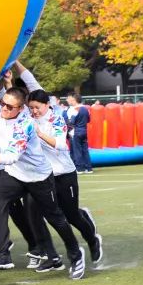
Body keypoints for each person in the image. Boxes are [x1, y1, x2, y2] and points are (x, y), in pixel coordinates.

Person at [0, 87, 85, 280]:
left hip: (38, 177)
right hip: (14, 175)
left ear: (20, 109)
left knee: (55, 218)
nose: (4, 109)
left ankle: (76, 255)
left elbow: (11, 156)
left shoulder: (25, 125)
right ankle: (3, 256)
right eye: (3, 104)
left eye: (10, 107)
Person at [27, 89, 104, 265]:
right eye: (31, 108)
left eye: (37, 107)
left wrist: (40, 134)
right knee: (35, 212)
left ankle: (92, 240)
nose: (34, 111)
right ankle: (50, 255)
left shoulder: (57, 119)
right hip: (42, 177)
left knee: (71, 216)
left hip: (64, 174)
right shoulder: (28, 120)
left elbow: (61, 144)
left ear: (47, 104)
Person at [65, 93, 93, 173]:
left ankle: (80, 168)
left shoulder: (73, 109)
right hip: (84, 131)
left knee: (77, 151)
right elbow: (88, 120)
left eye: (72, 100)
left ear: (75, 100)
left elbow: (71, 122)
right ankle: (89, 168)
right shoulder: (86, 109)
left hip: (75, 132)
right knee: (85, 150)